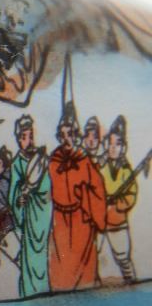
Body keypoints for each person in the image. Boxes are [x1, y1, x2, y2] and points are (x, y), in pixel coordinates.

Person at [48, 103, 107, 291]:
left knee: (83, 263)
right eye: (63, 135)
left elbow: (97, 188)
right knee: (61, 262)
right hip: (60, 221)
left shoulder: (84, 160)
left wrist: (87, 200)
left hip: (81, 218)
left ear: (75, 135)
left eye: (70, 134)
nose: (66, 139)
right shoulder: (53, 160)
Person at [8, 114, 53, 297]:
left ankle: (44, 290)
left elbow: (47, 187)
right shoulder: (16, 164)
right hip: (27, 219)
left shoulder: (41, 160)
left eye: (31, 136)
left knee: (44, 257)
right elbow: (13, 193)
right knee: (29, 258)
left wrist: (33, 191)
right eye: (24, 137)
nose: (29, 141)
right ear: (18, 139)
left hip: (41, 216)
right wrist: (19, 199)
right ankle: (29, 292)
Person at [100, 117, 140, 283]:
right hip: (100, 219)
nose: (113, 148)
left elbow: (131, 194)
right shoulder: (101, 166)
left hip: (118, 220)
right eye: (110, 144)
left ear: (123, 147)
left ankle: (130, 280)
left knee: (123, 257)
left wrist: (118, 204)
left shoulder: (126, 171)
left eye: (117, 144)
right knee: (100, 257)